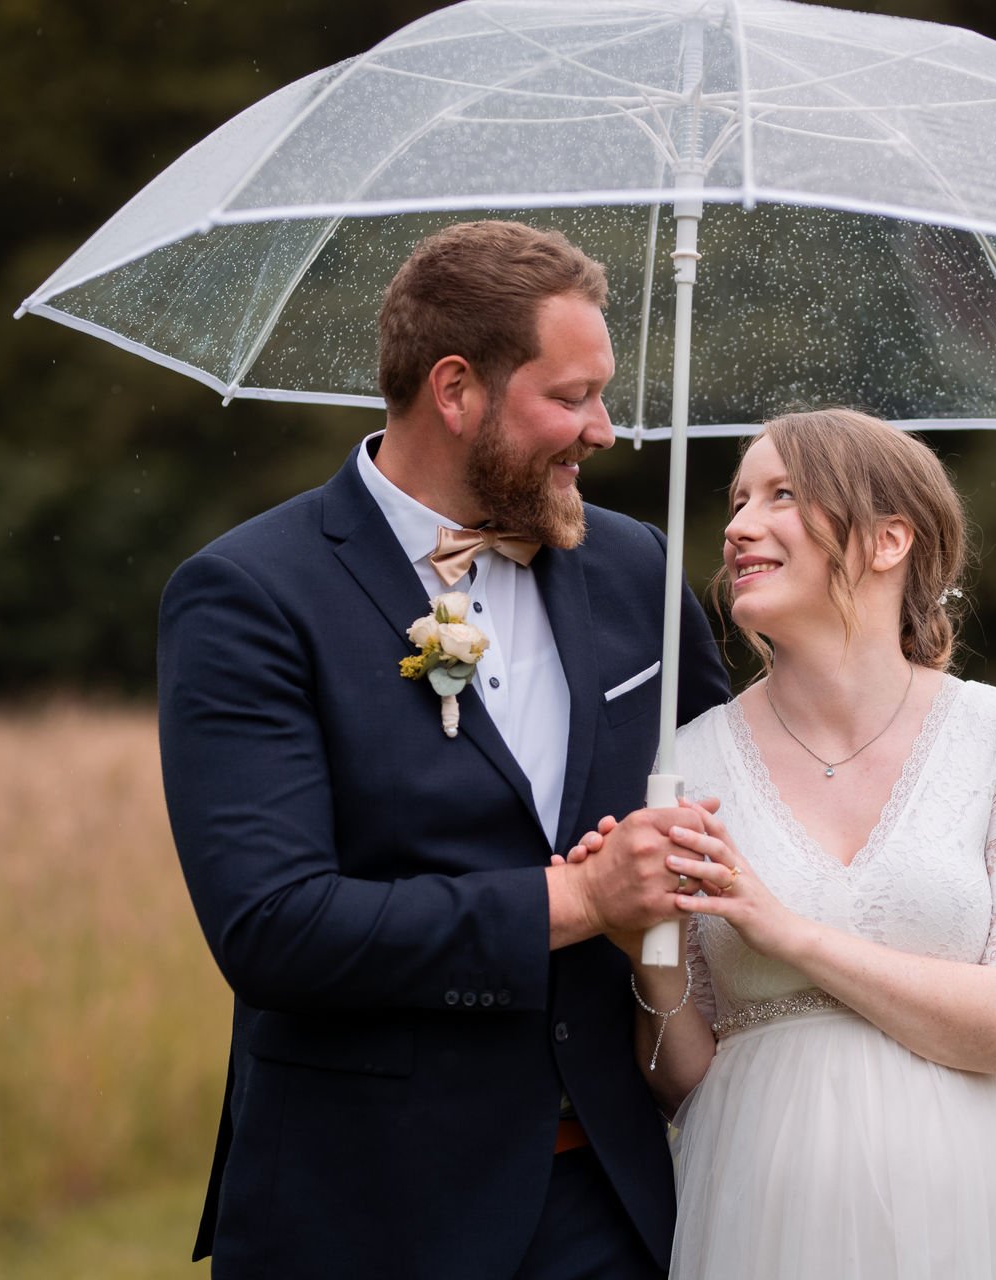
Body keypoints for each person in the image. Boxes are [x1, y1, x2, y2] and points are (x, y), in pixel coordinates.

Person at [155, 220, 734, 1279]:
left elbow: (756, 818)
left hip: (615, 1200)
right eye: (570, 397)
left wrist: (910, 1030)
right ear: (456, 388)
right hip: (367, 1209)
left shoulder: (636, 571)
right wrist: (577, 903)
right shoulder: (250, 596)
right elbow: (276, 926)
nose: (603, 430)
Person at [583, 408, 996, 1278]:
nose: (739, 525)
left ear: (888, 539)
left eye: (784, 495)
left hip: (981, 1196)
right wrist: (644, 958)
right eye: (738, 498)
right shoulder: (688, 761)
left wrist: (786, 932)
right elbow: (686, 1082)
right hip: (766, 1206)